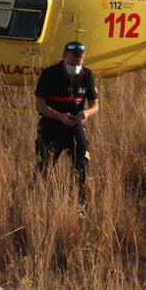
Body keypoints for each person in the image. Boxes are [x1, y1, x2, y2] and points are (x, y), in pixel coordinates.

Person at [34, 40, 99, 200]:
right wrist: (59, 116)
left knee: (82, 165)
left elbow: (95, 105)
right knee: (44, 167)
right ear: (64, 57)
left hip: (75, 127)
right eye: (71, 63)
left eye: (78, 64)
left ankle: (82, 204)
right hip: (51, 126)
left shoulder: (87, 75)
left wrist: (86, 113)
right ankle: (38, 200)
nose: (75, 67)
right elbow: (40, 105)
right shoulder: (49, 74)